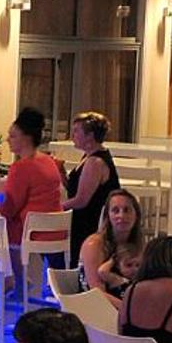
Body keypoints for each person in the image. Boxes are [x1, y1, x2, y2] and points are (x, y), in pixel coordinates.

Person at [0, 106, 66, 274]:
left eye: (13, 136)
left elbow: (11, 207)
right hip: (57, 229)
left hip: (33, 232)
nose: (7, 140)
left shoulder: (21, 167)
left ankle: (12, 280)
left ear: (26, 138)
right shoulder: (48, 161)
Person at [61, 110, 121, 262]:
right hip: (82, 217)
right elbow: (75, 189)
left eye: (76, 131)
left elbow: (81, 200)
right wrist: (61, 172)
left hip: (89, 222)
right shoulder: (88, 156)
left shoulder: (95, 162)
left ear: (90, 136)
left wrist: (57, 207)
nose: (72, 136)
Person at [78, 187, 148, 298]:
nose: (121, 215)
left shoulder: (138, 244)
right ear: (108, 216)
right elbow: (98, 293)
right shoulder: (94, 244)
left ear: (136, 215)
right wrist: (128, 307)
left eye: (127, 210)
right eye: (115, 211)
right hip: (93, 303)